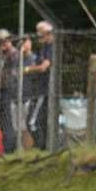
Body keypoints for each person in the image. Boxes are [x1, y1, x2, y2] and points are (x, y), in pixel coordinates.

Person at [23, 21, 54, 149]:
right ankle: (44, 147)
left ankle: (41, 147)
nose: (38, 36)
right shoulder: (44, 47)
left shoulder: (52, 47)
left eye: (40, 33)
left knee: (32, 122)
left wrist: (26, 69)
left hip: (45, 89)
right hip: (38, 88)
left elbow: (43, 67)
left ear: (47, 33)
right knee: (39, 121)